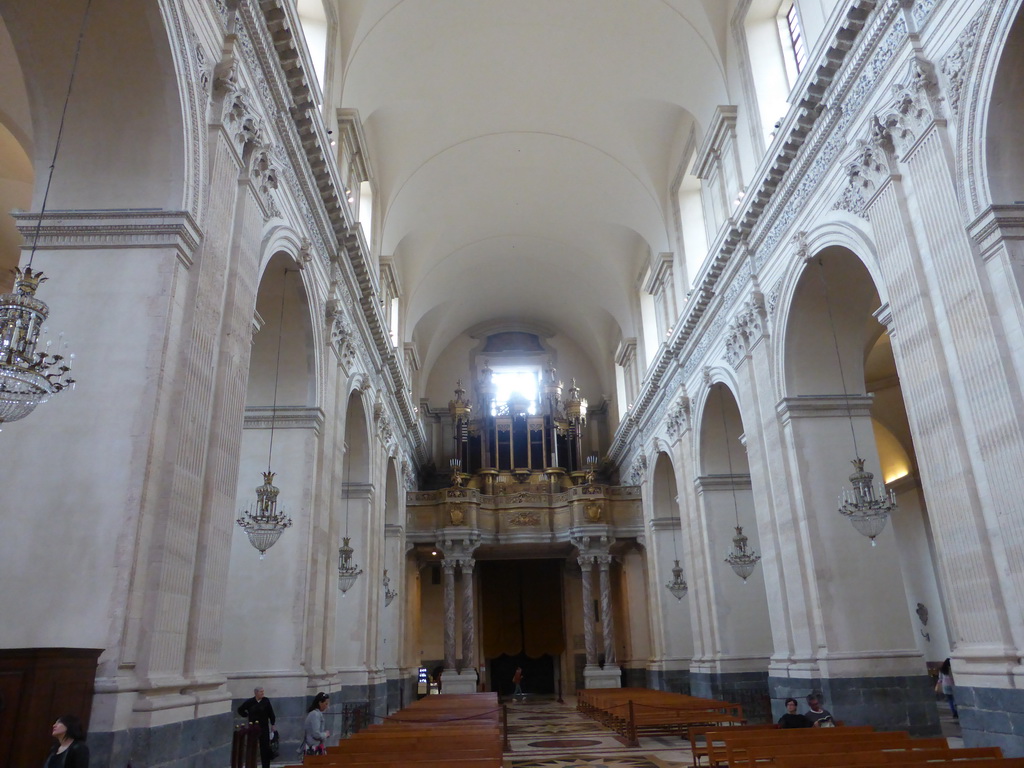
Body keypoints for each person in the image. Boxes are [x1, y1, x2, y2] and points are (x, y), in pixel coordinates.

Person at [238, 686, 277, 768]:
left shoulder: (266, 701)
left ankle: (266, 766)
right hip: (253, 727)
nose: (263, 693)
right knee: (252, 746)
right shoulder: (250, 702)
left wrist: (273, 724)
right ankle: (251, 764)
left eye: (263, 691)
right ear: (256, 693)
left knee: (265, 747)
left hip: (264, 727)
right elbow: (240, 709)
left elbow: (271, 713)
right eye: (261, 692)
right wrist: (246, 715)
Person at [301, 692, 331, 756]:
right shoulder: (315, 714)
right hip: (313, 748)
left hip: (315, 746)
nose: (327, 707)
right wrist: (325, 734)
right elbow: (316, 734)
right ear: (320, 703)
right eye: (326, 704)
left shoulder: (317, 714)